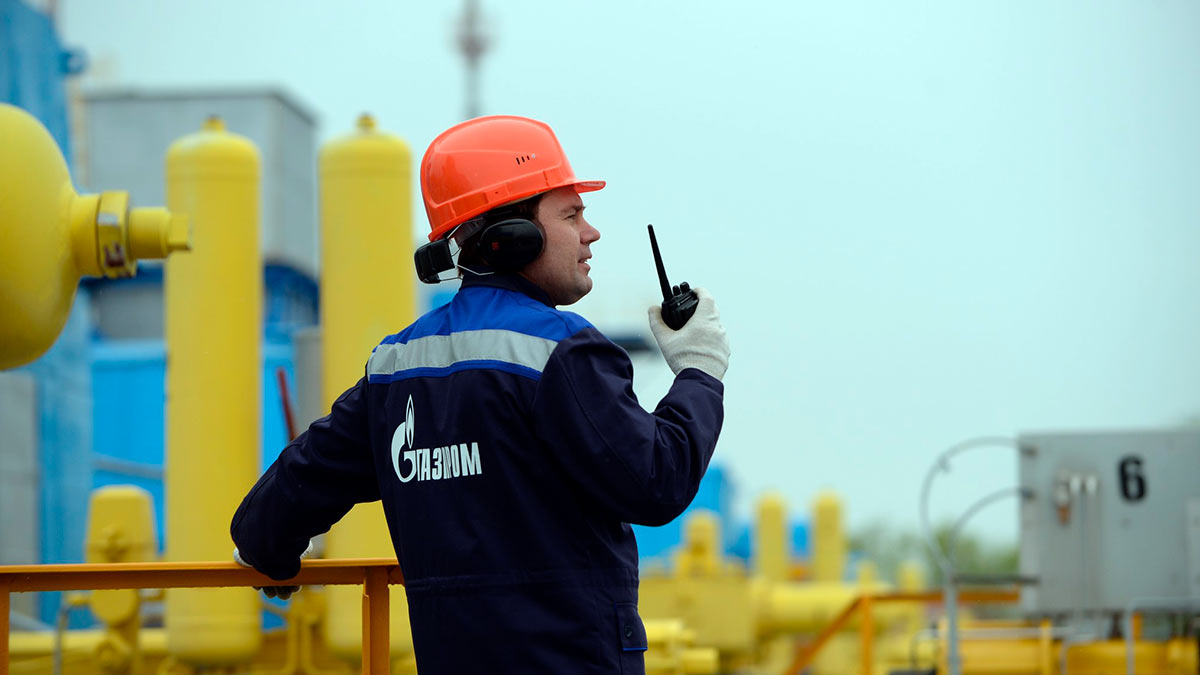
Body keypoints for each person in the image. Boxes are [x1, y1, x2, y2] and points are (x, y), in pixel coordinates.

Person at [230, 115, 730, 673]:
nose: (591, 233)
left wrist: (268, 549)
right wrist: (699, 370)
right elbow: (658, 480)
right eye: (571, 215)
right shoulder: (561, 351)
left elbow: (294, 488)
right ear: (514, 238)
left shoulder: (396, 365)